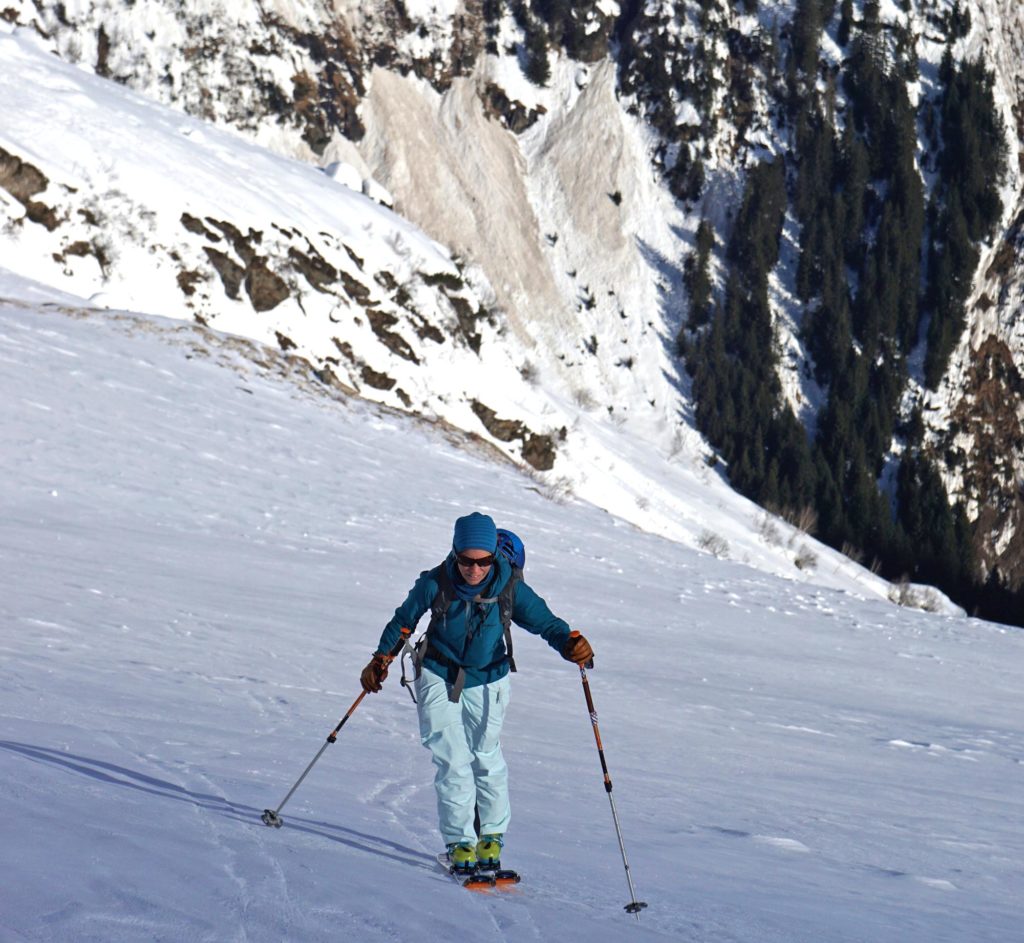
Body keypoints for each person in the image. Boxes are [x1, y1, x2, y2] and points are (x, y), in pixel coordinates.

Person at [360, 511, 594, 873]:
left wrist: (570, 644)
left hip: (489, 679)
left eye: (483, 561)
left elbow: (546, 623)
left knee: (486, 758)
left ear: (493, 557)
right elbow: (403, 620)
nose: (475, 569)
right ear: (455, 553)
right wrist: (380, 658)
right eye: (467, 561)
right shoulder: (436, 582)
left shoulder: (509, 587)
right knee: (451, 759)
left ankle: (492, 839)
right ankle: (460, 844)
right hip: (438, 672)